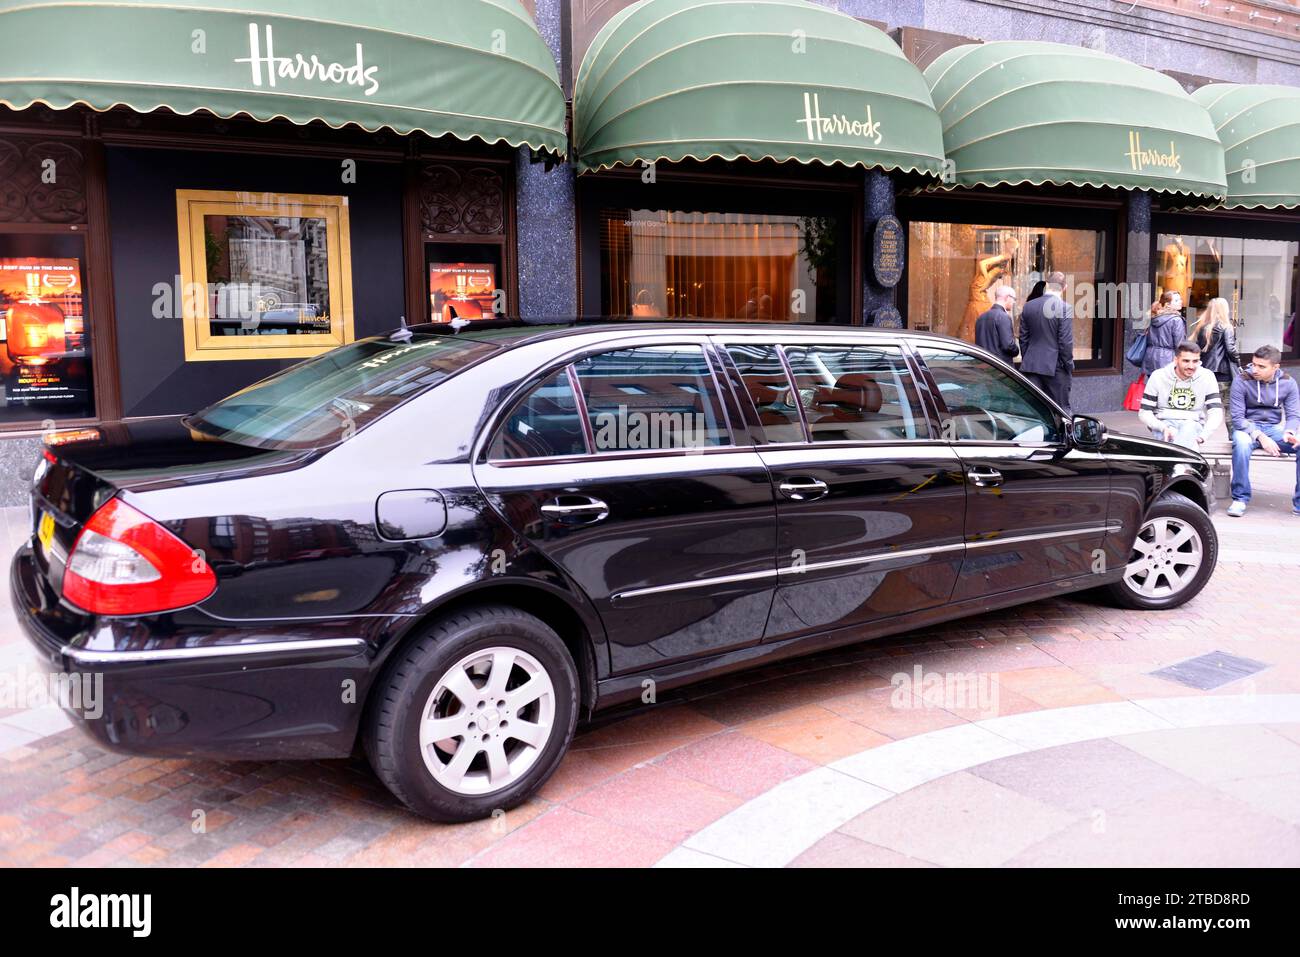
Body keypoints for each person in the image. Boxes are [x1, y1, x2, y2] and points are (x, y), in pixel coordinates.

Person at [1226, 344, 1300, 517]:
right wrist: (1261, 437)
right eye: (1253, 364)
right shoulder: (1241, 379)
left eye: (1261, 366)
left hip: (1274, 429)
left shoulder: (1288, 383)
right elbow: (1237, 418)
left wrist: (1289, 432)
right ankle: (1240, 498)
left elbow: (1293, 415)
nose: (1255, 369)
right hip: (1247, 428)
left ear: (1276, 367)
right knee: (1242, 444)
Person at [1137, 339, 1224, 450]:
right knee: (1188, 445)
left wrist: (1204, 435)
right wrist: (1162, 427)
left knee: (1189, 429)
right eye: (1186, 361)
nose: (1191, 366)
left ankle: (1177, 465)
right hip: (1164, 424)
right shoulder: (1158, 376)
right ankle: (1184, 465)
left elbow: (1216, 412)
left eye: (1195, 361)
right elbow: (1144, 412)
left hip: (1193, 423)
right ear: (1176, 360)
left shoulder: (1207, 377)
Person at [1018, 270, 1073, 409]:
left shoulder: (1029, 305)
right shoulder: (1064, 308)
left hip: (1031, 366)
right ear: (1064, 287)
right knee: (1061, 411)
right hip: (1056, 368)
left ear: (1046, 285)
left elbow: (1023, 339)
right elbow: (1065, 342)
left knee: (1035, 411)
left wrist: (1028, 359)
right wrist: (1068, 365)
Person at [1188, 297, 1239, 435]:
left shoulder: (1201, 327)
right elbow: (1231, 349)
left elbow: (1196, 349)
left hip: (1204, 371)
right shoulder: (1226, 327)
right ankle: (1233, 436)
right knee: (1229, 406)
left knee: (1200, 405)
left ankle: (1195, 434)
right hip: (1223, 373)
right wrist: (1238, 363)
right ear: (1224, 310)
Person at [1142, 291, 1186, 378]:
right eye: (1176, 300)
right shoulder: (1176, 320)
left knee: (1154, 388)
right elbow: (1179, 344)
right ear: (1168, 304)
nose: (1181, 301)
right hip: (1167, 359)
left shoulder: (1154, 316)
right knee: (1167, 388)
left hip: (1150, 356)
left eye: (1180, 299)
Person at [975, 285, 1019, 361]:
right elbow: (1008, 346)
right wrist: (1016, 350)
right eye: (1014, 299)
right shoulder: (1003, 317)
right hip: (1000, 367)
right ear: (1007, 298)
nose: (1014, 302)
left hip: (983, 365)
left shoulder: (981, 317)